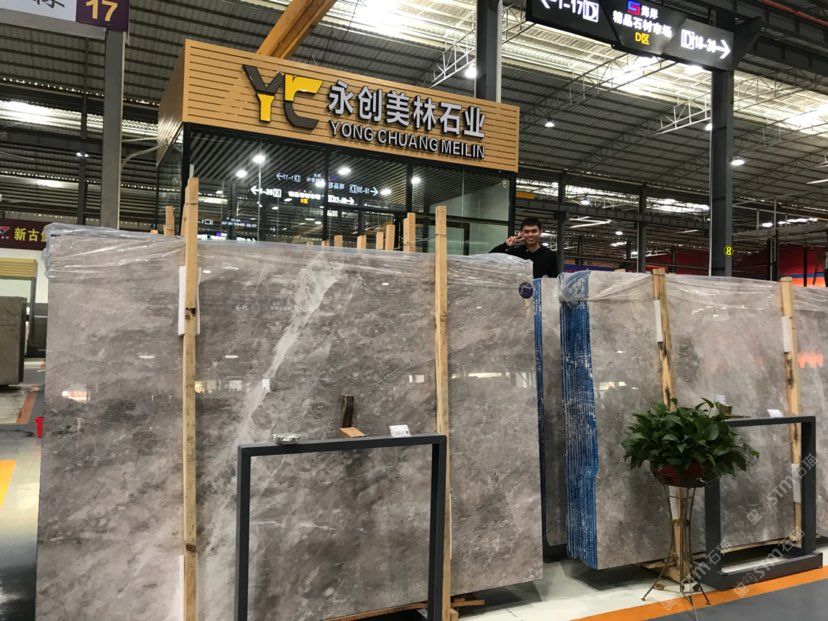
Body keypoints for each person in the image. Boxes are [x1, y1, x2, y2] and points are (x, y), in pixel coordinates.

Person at [490, 217, 559, 278]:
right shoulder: (515, 253)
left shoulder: (550, 255)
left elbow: (554, 281)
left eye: (534, 231)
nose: (530, 235)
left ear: (540, 232)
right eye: (526, 232)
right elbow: (490, 257)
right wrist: (505, 245)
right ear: (521, 233)